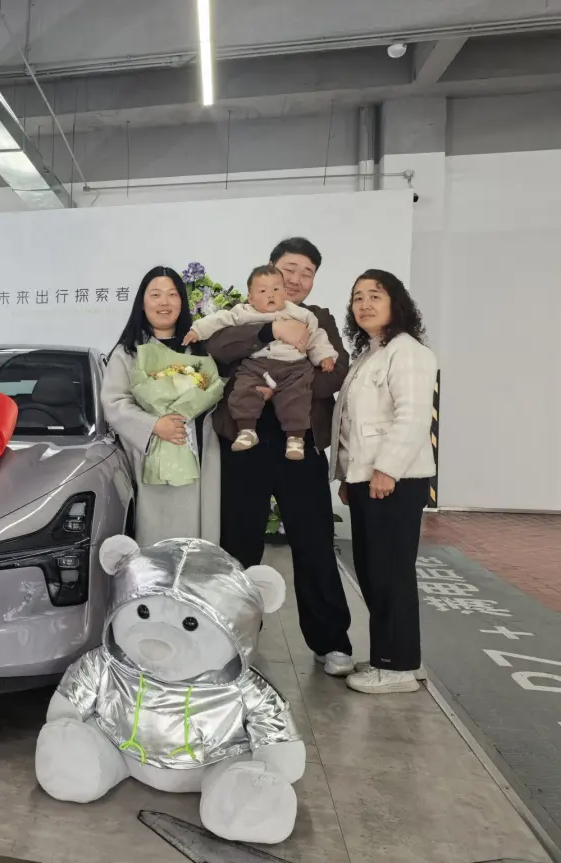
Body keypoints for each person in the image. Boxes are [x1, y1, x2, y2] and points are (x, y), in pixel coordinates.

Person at [202, 238, 355, 677]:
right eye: (290, 268)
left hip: (299, 442)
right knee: (238, 543)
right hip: (243, 443)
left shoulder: (317, 317)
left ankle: (332, 642)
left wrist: (280, 386)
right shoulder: (242, 312)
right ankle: (231, 638)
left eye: (308, 272)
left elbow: (335, 375)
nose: (297, 279)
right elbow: (217, 353)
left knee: (313, 541)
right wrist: (270, 333)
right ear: (270, 269)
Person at [333, 270, 437, 695]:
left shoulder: (408, 352)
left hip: (395, 480)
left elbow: (411, 418)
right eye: (358, 297)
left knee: (390, 573)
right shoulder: (371, 354)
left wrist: (386, 469)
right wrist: (348, 475)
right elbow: (353, 424)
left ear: (397, 303)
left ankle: (396, 667)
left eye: (375, 295)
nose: (365, 304)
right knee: (375, 571)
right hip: (370, 479)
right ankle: (397, 656)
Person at [102, 266, 221, 546]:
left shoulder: (201, 349)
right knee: (156, 541)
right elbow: (114, 402)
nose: (164, 302)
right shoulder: (129, 352)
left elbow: (214, 392)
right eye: (155, 295)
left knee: (197, 544)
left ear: (182, 301)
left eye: (172, 294)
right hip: (150, 458)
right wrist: (154, 425)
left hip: (199, 456)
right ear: (142, 303)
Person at [184, 264, 339, 460]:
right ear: (250, 298)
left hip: (294, 365)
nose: (271, 295)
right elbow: (219, 320)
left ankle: (295, 438)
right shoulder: (243, 312)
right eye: (263, 291)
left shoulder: (301, 314)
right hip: (257, 365)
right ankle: (246, 430)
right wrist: (197, 330)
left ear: (284, 292)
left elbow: (316, 335)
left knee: (296, 396)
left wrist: (324, 356)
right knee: (244, 388)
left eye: (276, 289)